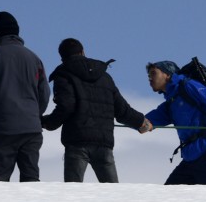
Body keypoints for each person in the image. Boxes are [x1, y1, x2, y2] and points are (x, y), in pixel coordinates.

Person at [41, 38, 146, 183]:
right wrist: (141, 122)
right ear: (83, 52)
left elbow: (66, 107)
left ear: (62, 57)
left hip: (77, 141)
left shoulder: (63, 75)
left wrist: (46, 123)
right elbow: (122, 110)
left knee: (73, 194)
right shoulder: (104, 76)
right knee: (113, 194)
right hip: (103, 142)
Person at [0, 11, 50, 182]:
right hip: (31, 127)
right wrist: (34, 113)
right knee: (31, 179)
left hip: (3, 127)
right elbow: (44, 94)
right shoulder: (34, 58)